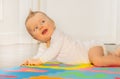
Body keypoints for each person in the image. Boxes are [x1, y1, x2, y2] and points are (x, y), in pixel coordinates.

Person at [22, 10, 120, 67]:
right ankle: (115, 54)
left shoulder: (58, 36)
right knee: (102, 58)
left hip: (90, 48)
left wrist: (39, 61)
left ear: (53, 23)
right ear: (35, 38)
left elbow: (52, 52)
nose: (40, 26)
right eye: (35, 28)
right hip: (87, 56)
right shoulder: (44, 45)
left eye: (42, 21)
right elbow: (40, 55)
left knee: (98, 60)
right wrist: (31, 61)